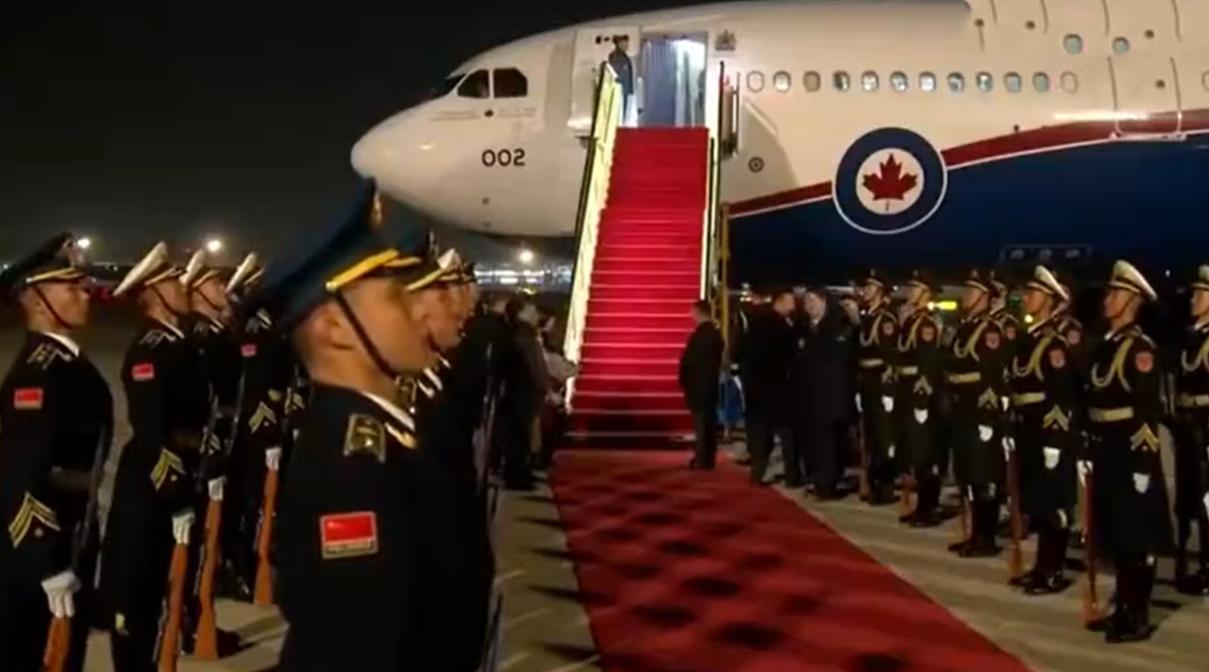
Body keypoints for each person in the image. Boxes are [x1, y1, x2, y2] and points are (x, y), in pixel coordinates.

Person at [248, 184, 452, 670]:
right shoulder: (352, 464)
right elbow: (353, 640)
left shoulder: (381, 435)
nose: (422, 309)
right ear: (334, 329)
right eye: (397, 299)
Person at [0, 234, 113, 672]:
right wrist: (48, 563)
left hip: (73, 534)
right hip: (41, 555)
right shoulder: (37, 376)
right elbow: (18, 475)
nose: (86, 294)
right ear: (37, 301)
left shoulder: (68, 364)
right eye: (72, 287)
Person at [100, 242, 210, 671]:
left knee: (164, 583)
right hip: (151, 483)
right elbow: (152, 431)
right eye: (172, 283)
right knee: (140, 584)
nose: (182, 288)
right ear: (153, 294)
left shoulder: (176, 342)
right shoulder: (149, 349)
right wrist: (175, 492)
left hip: (179, 470)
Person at [1084, 260, 1173, 643]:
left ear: (1133, 300)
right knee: (1118, 536)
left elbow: (1146, 410)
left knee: (1136, 538)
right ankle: (1122, 607)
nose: (1108, 299)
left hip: (1130, 454)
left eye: (1116, 293)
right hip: (1108, 450)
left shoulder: (1139, 350)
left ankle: (1137, 616)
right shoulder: (1108, 346)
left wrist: (1142, 463)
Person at [223, 254, 295, 602]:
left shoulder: (271, 324)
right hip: (257, 424)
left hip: (273, 419)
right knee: (253, 500)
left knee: (267, 500)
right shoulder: (255, 328)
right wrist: (266, 421)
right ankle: (245, 566)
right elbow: (255, 381)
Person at [1006, 266, 1080, 593]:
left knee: (1053, 506)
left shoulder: (1053, 345)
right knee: (1037, 501)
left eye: (1034, 293)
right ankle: (1041, 566)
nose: (1027, 298)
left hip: (1047, 435)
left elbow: (1062, 397)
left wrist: (1054, 439)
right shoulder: (1031, 339)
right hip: (1028, 430)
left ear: (1049, 300)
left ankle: (1053, 570)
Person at [945, 270, 1008, 557]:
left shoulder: (989, 331)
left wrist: (987, 415)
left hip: (980, 413)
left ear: (984, 297)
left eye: (972, 291)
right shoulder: (965, 327)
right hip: (963, 411)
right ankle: (973, 533)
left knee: (984, 477)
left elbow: (993, 374)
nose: (966, 296)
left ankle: (986, 537)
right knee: (968, 475)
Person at [1171, 265, 1209, 595]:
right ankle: (1184, 558)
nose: (1194, 299)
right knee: (1187, 497)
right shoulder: (1190, 337)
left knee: (1208, 499)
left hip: (1206, 427)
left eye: (1201, 294)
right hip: (1186, 426)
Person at [798, 288, 856, 499]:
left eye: (813, 300)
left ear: (823, 302)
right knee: (816, 443)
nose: (809, 305)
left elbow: (838, 363)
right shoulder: (808, 327)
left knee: (829, 444)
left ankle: (827, 484)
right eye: (806, 301)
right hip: (812, 397)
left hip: (831, 397)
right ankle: (818, 480)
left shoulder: (836, 325)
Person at [896, 271, 944, 527]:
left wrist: (922, 400)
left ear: (925, 293)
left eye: (916, 288)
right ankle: (921, 507)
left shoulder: (926, 324)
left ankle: (929, 507)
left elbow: (929, 363)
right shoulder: (911, 321)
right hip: (907, 392)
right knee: (914, 453)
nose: (910, 292)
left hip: (919, 396)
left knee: (925, 454)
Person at [735, 289, 795, 485]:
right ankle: (792, 475)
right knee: (785, 434)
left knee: (761, 435)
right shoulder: (781, 327)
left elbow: (742, 351)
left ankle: (757, 473)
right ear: (780, 301)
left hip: (757, 388)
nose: (794, 306)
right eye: (791, 301)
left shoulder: (757, 323)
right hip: (777, 387)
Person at [855, 269, 899, 505]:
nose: (866, 291)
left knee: (884, 437)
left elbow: (890, 356)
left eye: (871, 287)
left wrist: (888, 389)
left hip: (880, 381)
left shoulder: (886, 319)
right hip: (867, 382)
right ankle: (873, 483)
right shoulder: (868, 318)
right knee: (870, 437)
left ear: (880, 291)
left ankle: (884, 486)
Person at [501, 296, 548, 490]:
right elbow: (533, 366)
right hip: (523, 393)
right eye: (531, 310)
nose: (536, 314)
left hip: (522, 393)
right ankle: (517, 475)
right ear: (521, 313)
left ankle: (520, 473)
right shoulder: (523, 336)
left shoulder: (524, 334)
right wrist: (542, 385)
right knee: (520, 437)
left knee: (521, 436)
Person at [680, 300, 724, 470]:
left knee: (701, 424)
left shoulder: (699, 336)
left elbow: (689, 362)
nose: (690, 315)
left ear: (699, 312)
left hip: (698, 386)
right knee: (709, 423)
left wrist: (684, 380)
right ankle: (707, 458)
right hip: (711, 384)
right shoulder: (716, 334)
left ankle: (702, 459)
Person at [607, 34, 635, 124]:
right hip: (619, 92)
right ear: (619, 43)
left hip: (624, 92)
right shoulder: (615, 57)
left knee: (623, 117)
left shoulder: (624, 57)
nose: (627, 45)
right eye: (625, 43)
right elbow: (615, 75)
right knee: (619, 117)